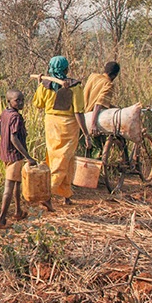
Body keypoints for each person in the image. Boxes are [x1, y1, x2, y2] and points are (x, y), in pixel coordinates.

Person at [32, 56, 89, 206]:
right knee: (64, 160)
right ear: (66, 69)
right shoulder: (75, 86)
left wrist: (39, 84)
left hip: (52, 126)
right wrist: (86, 134)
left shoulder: (45, 85)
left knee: (60, 159)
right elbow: (78, 112)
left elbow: (38, 104)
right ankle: (48, 194)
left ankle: (66, 195)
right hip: (69, 126)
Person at [0, 89, 37, 228]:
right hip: (15, 155)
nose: (21, 103)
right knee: (9, 187)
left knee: (17, 183)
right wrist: (28, 157)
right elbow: (14, 138)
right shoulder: (16, 117)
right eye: (17, 100)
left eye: (22, 100)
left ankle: (18, 211)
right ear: (9, 101)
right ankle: (1, 220)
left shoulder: (5, 113)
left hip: (6, 153)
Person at [84, 61, 120, 135]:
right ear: (115, 75)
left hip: (80, 114)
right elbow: (98, 104)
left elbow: (94, 98)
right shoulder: (108, 84)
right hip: (89, 117)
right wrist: (93, 124)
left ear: (104, 69)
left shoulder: (93, 76)